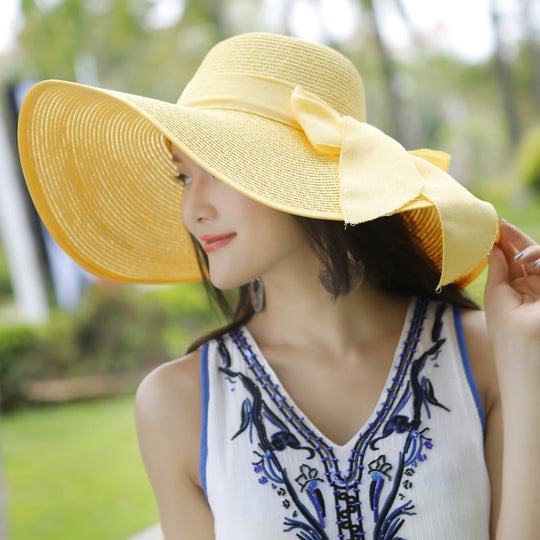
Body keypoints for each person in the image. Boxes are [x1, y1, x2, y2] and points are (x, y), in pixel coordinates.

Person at [17, 33, 539, 539]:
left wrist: (527, 354)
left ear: (302, 180)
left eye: (217, 169)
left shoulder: (485, 353)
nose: (192, 209)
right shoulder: (178, 403)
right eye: (184, 177)